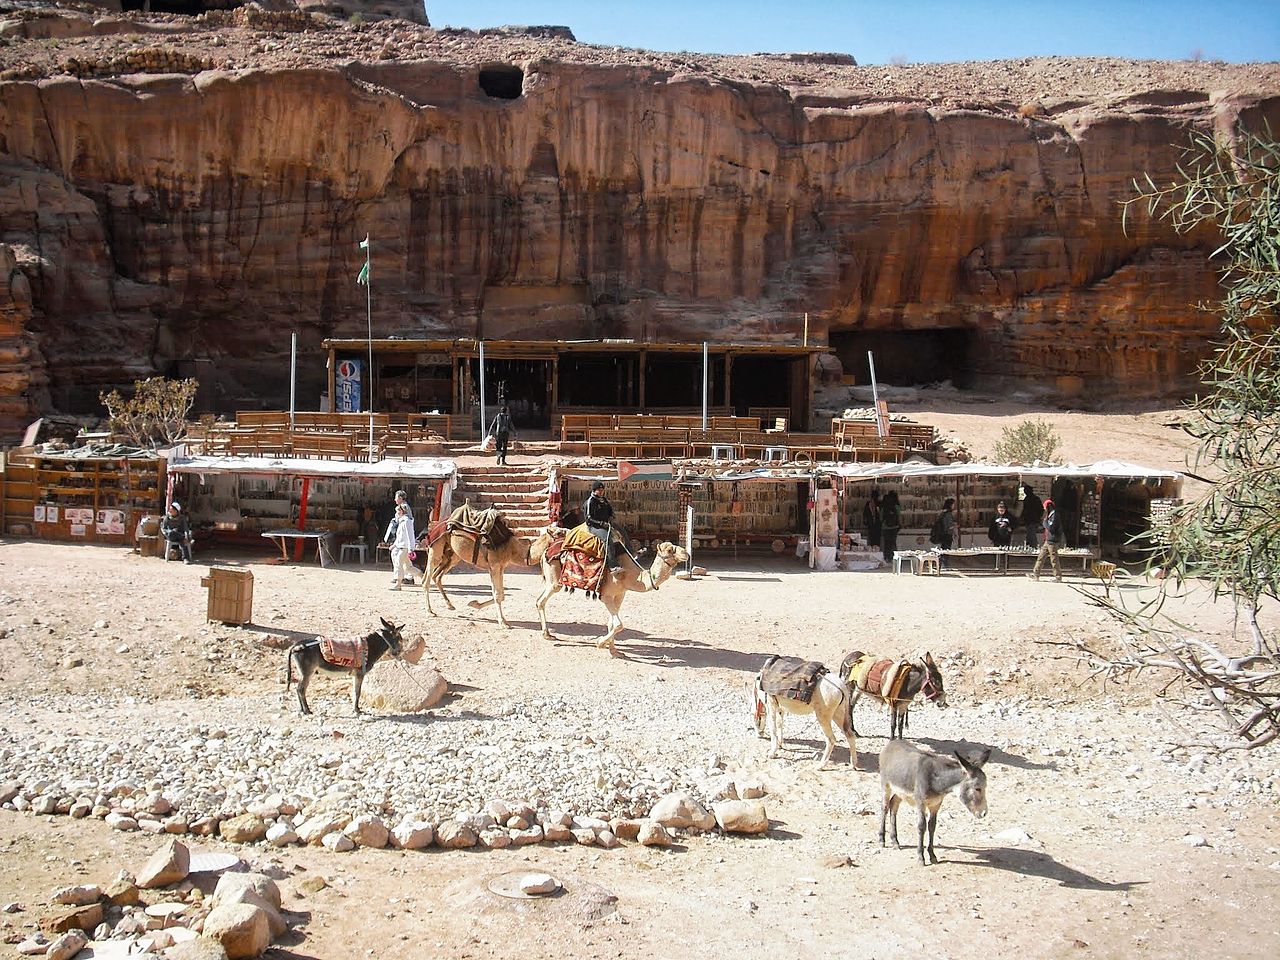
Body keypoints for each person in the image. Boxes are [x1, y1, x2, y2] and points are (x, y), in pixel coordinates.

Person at [584, 480, 622, 573]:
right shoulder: (590, 501)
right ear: (594, 490)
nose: (601, 492)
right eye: (599, 490)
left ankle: (632, 552)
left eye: (602, 490)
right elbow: (588, 518)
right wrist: (601, 524)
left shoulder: (604, 500)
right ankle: (613, 565)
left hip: (606, 523)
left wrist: (612, 516)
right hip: (594, 526)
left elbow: (609, 511)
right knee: (607, 538)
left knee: (621, 529)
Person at [382, 502, 417, 590]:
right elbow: (400, 536)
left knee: (398, 564)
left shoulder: (407, 521)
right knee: (408, 566)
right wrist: (394, 545)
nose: (396, 514)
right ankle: (422, 575)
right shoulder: (401, 521)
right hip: (401, 546)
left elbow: (410, 536)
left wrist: (411, 549)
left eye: (398, 512)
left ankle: (398, 584)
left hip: (404, 547)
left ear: (402, 512)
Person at [1030, 497, 1063, 582]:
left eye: (1045, 508)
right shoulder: (1051, 514)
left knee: (1054, 559)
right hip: (1048, 540)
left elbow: (1051, 528)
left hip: (1052, 540)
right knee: (1041, 557)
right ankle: (1036, 574)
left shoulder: (1055, 515)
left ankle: (1058, 576)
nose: (1045, 510)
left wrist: (1044, 522)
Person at [392, 490, 416, 582]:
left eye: (396, 497)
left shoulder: (405, 509)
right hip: (401, 538)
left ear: (400, 498)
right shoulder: (400, 508)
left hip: (404, 540)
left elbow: (408, 525)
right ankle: (404, 577)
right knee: (403, 560)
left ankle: (401, 578)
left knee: (400, 560)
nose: (395, 499)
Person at [880, 490, 901, 565]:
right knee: (893, 542)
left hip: (885, 527)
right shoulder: (896, 506)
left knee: (886, 543)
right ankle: (894, 557)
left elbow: (881, 517)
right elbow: (899, 515)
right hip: (895, 527)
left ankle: (886, 557)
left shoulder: (884, 506)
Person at [1019, 483, 1043, 548]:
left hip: (1032, 520)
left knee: (1031, 535)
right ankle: (1029, 546)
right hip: (1030, 519)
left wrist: (1038, 517)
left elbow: (1040, 510)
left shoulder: (1032, 499)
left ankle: (1034, 547)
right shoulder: (1029, 499)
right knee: (1029, 534)